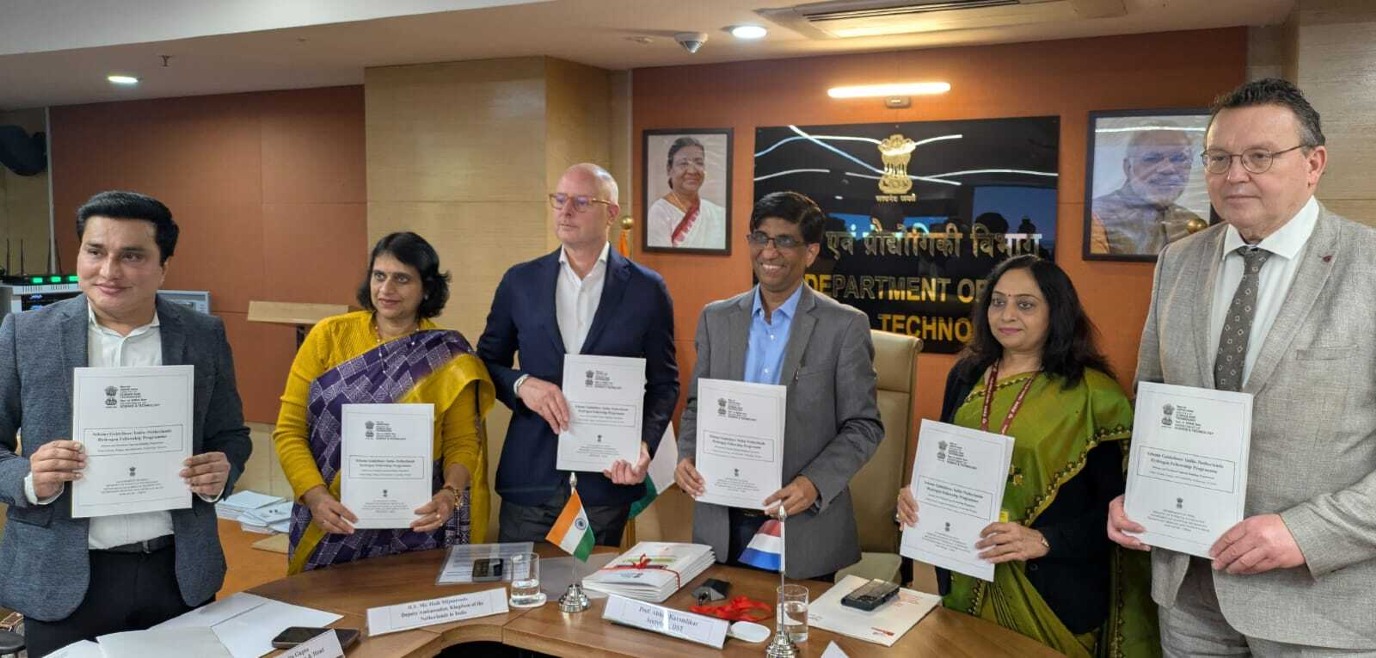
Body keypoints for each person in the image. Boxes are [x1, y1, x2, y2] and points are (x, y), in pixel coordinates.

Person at [1108, 79, 1376, 654]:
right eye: (1220, 158)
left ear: (1314, 163)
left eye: (1260, 157)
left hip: (1321, 607)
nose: (1235, 175)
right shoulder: (1178, 262)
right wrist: (1140, 491)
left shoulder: (1369, 268)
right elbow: (1152, 403)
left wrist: (1307, 532)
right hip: (1190, 593)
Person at [0, 191, 253, 656]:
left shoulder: (202, 335)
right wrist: (28, 479)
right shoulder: (24, 334)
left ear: (163, 267)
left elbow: (231, 436)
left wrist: (222, 471)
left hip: (176, 573)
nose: (109, 271)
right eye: (95, 252)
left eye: (132, 256)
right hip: (62, 577)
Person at [897, 255, 1158, 657]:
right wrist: (916, 496)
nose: (1006, 315)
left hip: (1054, 594)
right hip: (965, 574)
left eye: (1026, 304)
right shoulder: (967, 374)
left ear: (1057, 311)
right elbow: (945, 464)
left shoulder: (1094, 395)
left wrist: (1043, 540)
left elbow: (1121, 513)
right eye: (997, 302)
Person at [674, 191, 884, 580]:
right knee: (721, 632)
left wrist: (814, 484)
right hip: (722, 520)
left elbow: (864, 426)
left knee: (799, 638)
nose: (769, 252)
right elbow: (697, 404)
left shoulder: (844, 326)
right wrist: (686, 455)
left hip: (801, 524)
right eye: (760, 238)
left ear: (810, 252)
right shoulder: (716, 319)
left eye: (785, 240)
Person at [478, 163, 677, 545]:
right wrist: (522, 385)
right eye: (560, 199)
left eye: (582, 202)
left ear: (612, 213)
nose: (565, 211)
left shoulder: (647, 290)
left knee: (591, 596)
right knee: (522, 594)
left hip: (605, 480)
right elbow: (486, 363)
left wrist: (645, 444)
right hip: (531, 478)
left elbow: (664, 383)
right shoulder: (520, 281)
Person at [273, 232, 494, 575]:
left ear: (427, 289)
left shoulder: (447, 357)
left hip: (417, 527)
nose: (386, 288)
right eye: (379, 275)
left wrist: (451, 493)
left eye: (402, 278)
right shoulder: (328, 337)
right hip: (333, 518)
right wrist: (315, 497)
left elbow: (462, 442)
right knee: (331, 618)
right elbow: (289, 431)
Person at [1090, 128, 1206, 255]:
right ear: (1128, 167)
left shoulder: (1191, 223)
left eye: (1178, 159)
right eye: (1152, 158)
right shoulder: (1097, 217)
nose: (1167, 169)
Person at [646, 136, 727, 250]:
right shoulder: (660, 212)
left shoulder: (718, 214)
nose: (692, 171)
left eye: (699, 163)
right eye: (683, 164)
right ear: (669, 169)